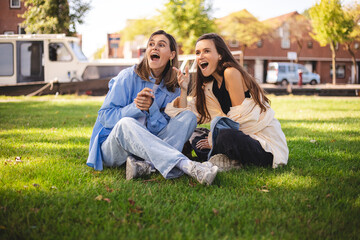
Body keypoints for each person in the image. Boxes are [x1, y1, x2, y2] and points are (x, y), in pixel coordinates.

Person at [86, 30, 218, 185]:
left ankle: (146, 166)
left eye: (161, 45)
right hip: (113, 149)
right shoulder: (127, 77)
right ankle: (187, 165)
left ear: (172, 55)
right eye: (151, 44)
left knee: (188, 117)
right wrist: (135, 107)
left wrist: (174, 96)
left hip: (144, 150)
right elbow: (105, 116)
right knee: (126, 123)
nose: (154, 48)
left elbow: (162, 129)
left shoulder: (172, 87)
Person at [166, 33, 289, 171]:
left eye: (206, 51)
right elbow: (187, 116)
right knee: (194, 133)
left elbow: (240, 120)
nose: (200, 56)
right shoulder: (208, 87)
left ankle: (222, 157)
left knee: (225, 136)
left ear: (220, 55)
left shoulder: (231, 72)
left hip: (262, 144)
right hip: (232, 137)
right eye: (198, 52)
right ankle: (226, 160)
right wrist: (184, 90)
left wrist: (213, 139)